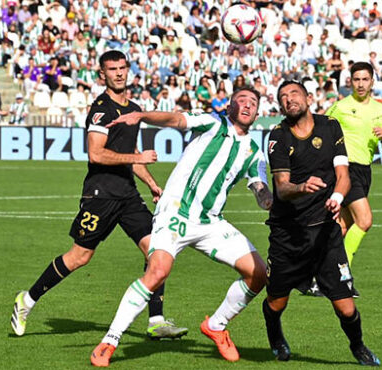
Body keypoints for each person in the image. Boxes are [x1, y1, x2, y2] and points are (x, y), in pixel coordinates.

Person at [11, 51, 187, 340]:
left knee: (157, 251)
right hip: (101, 195)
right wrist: (137, 155)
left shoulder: (133, 109)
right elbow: (95, 154)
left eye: (122, 68)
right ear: (102, 75)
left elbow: (131, 158)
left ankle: (156, 320)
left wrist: (153, 184)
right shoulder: (102, 109)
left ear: (129, 71)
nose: (118, 73)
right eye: (112, 69)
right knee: (80, 256)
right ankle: (26, 301)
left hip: (128, 195)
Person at [89, 86, 271, 366]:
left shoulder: (254, 153)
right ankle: (110, 340)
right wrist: (142, 115)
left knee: (258, 274)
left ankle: (217, 325)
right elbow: (176, 120)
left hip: (209, 222)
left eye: (253, 102)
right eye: (241, 100)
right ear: (229, 106)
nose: (247, 105)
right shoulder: (212, 123)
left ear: (258, 113)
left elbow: (259, 187)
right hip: (175, 212)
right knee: (158, 271)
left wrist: (269, 199)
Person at [262, 80, 380, 366]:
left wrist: (338, 196)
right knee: (277, 302)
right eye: (283, 97)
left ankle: (358, 346)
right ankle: (276, 337)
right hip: (288, 234)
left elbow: (343, 172)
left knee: (346, 307)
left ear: (308, 98)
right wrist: (302, 187)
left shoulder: (330, 126)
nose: (289, 99)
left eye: (294, 94)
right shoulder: (278, 136)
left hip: (326, 233)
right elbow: (282, 187)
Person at [321, 62, 382, 297]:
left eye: (365, 79)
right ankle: (342, 277)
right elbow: (319, 129)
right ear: (350, 82)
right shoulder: (340, 107)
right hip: (345, 169)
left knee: (342, 227)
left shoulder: (380, 110)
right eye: (356, 79)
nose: (360, 84)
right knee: (365, 220)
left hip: (364, 170)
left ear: (372, 82)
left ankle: (316, 275)